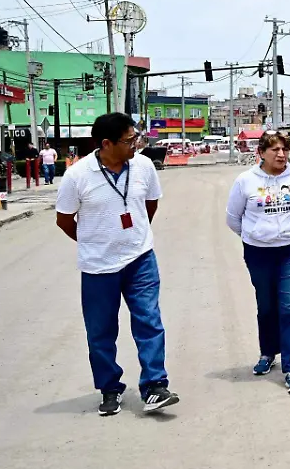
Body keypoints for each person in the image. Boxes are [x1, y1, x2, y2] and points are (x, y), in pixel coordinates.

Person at [54, 113, 179, 417]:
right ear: (106, 144)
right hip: (98, 267)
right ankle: (110, 388)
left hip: (140, 259)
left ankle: (154, 386)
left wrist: (136, 236)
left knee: (149, 321)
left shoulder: (144, 166)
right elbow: (64, 220)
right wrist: (94, 242)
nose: (136, 143)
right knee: (101, 332)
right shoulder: (77, 175)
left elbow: (150, 203)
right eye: (129, 140)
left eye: (136, 137)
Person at [225, 131, 290, 395]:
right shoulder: (245, 181)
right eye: (274, 149)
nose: (280, 154)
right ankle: (267, 353)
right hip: (258, 252)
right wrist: (255, 236)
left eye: (284, 149)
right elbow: (233, 218)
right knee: (266, 305)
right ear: (261, 153)